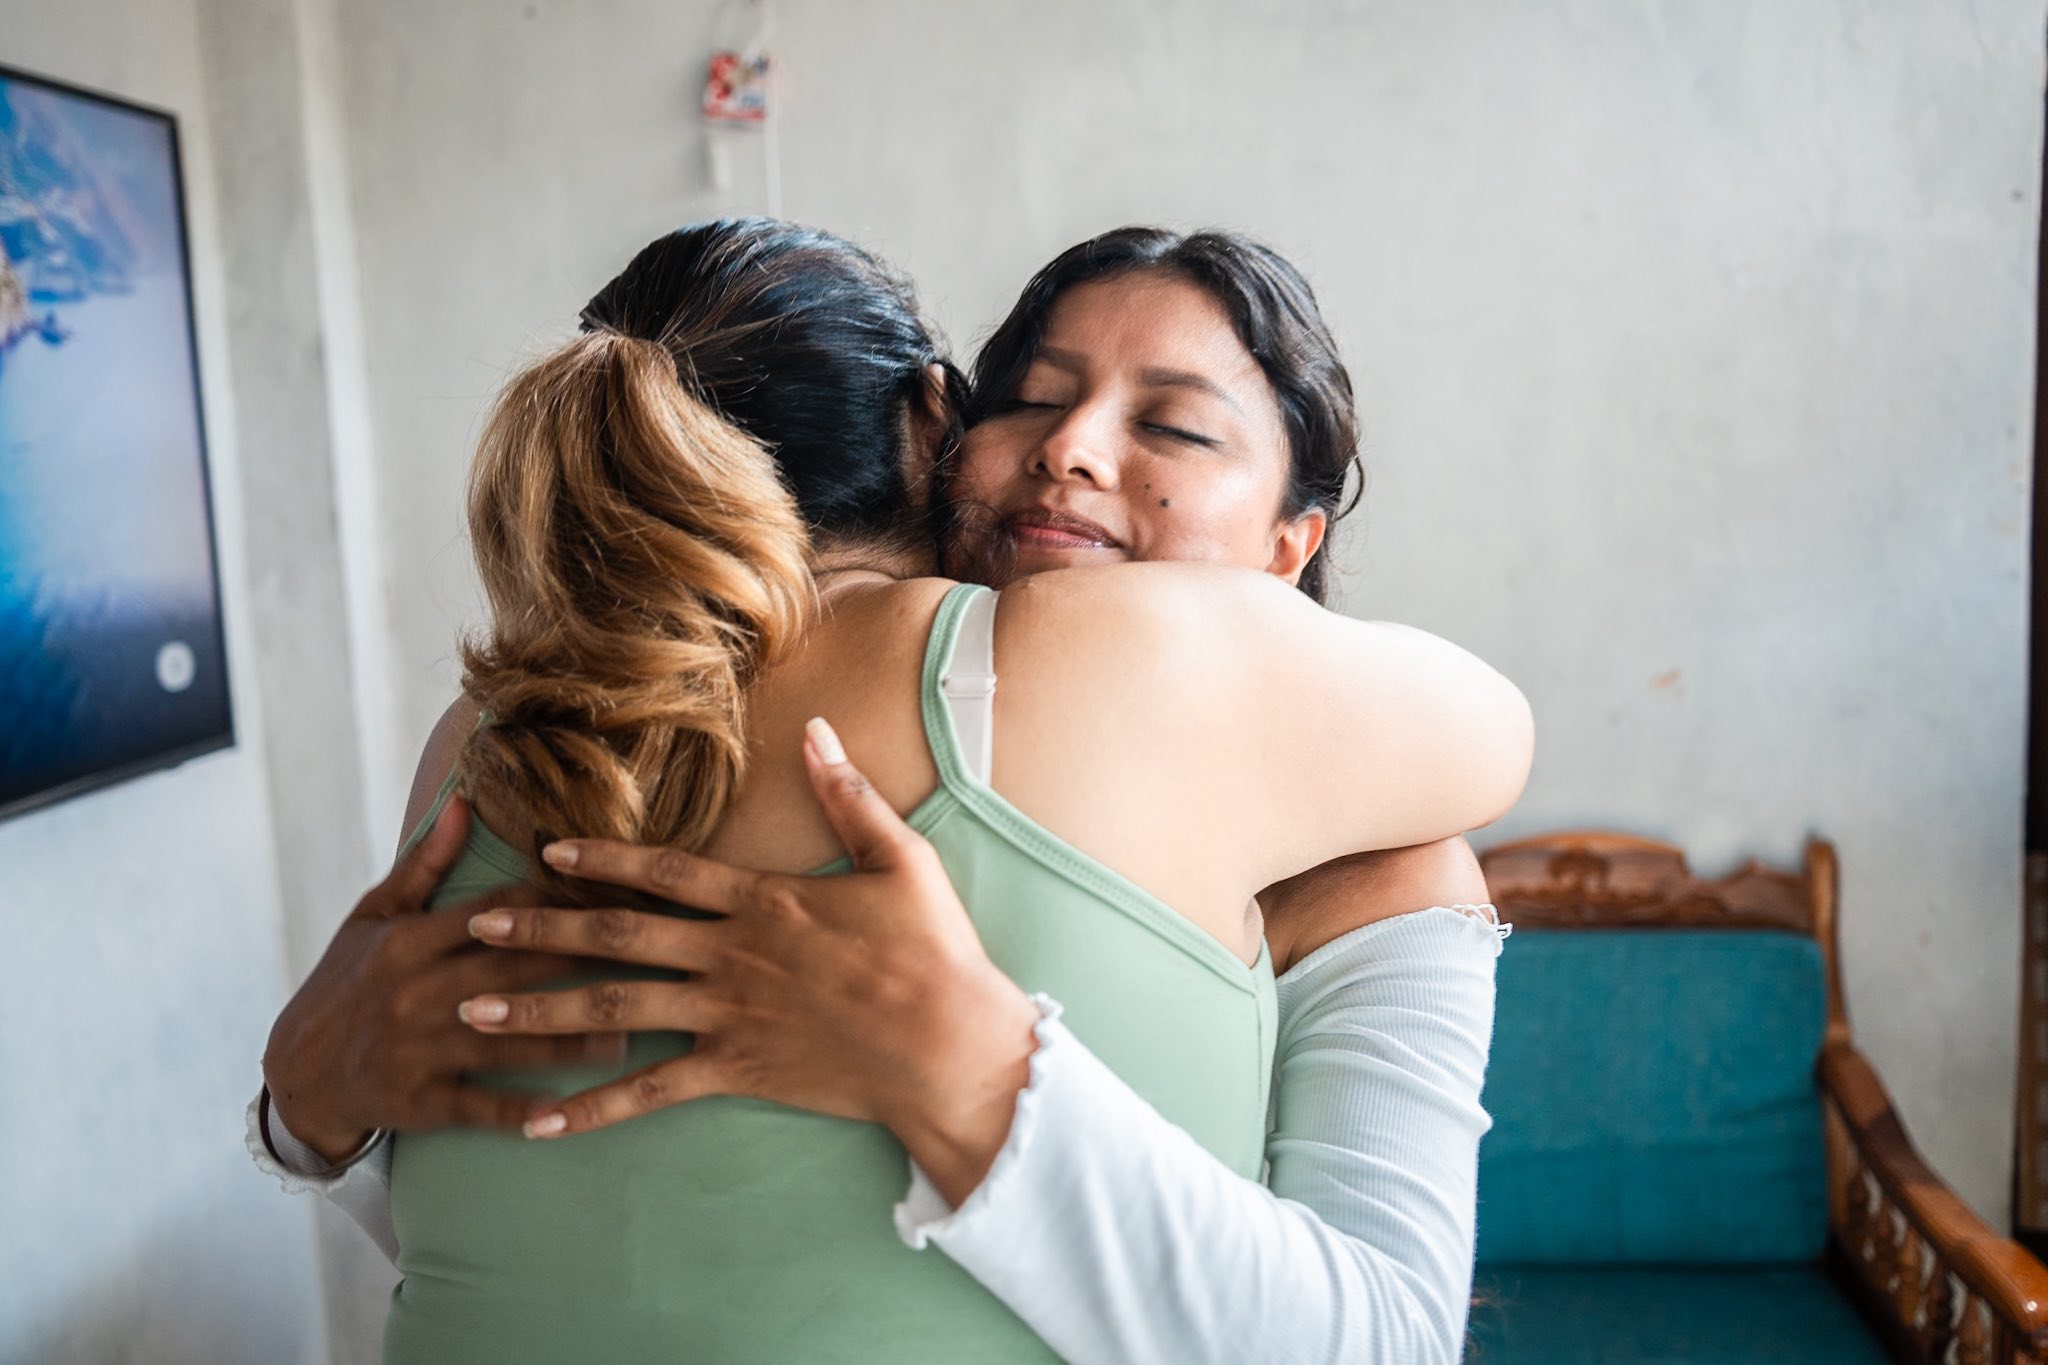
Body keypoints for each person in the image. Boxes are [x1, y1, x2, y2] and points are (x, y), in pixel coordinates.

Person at [252, 222, 1530, 1363]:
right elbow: (576, 1241)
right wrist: (313, 1114)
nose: (1070, 451)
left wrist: (302, 1123)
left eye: (1177, 428)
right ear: (938, 429)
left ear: (1290, 547)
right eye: (1029, 401)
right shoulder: (1073, 672)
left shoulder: (486, 730)